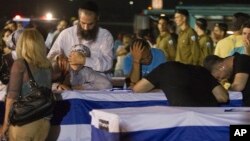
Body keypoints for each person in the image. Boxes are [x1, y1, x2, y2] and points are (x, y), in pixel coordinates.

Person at [0, 29, 52, 140]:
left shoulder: (19, 64)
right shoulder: (47, 65)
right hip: (44, 123)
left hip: (24, 122)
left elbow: (11, 97)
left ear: (22, 44)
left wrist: (5, 124)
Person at [47, 1, 113, 77]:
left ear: (97, 18)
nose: (86, 27)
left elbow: (108, 63)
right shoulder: (66, 34)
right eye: (83, 23)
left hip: (96, 86)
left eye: (90, 24)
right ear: (79, 18)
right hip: (68, 84)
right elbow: (49, 59)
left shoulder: (105, 36)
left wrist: (84, 60)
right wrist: (58, 59)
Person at [133, 61, 229, 106]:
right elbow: (223, 97)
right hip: (212, 120)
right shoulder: (202, 71)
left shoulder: (165, 68)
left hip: (186, 122)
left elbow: (138, 89)